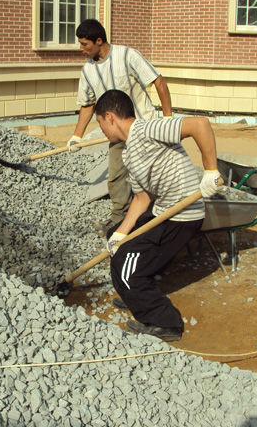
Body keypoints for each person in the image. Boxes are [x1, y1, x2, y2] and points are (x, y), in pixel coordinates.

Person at [93, 89, 221, 342]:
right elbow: (142, 199)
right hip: (163, 210)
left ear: (110, 117)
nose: (102, 130)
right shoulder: (129, 153)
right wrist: (120, 234)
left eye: (100, 123)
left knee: (128, 267)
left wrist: (211, 171)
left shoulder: (147, 129)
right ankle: (133, 294)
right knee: (115, 236)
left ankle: (165, 322)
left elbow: (200, 125)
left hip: (182, 215)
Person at [68, 19, 173, 235]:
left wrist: (167, 117)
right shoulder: (88, 70)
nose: (81, 48)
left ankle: (160, 216)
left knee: (150, 175)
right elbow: (87, 104)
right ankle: (119, 219)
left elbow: (158, 81)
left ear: (99, 41)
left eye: (84, 44)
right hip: (116, 134)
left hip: (143, 128)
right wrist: (77, 136)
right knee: (116, 175)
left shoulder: (127, 56)